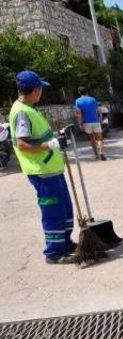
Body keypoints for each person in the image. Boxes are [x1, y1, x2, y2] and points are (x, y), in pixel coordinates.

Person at [10, 70, 76, 264]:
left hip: (51, 169)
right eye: (41, 89)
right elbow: (22, 144)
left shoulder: (30, 108)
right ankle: (54, 252)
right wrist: (49, 145)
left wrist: (58, 136)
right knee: (53, 211)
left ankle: (65, 243)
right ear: (36, 90)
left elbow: (40, 135)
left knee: (64, 208)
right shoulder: (22, 112)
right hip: (42, 171)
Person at [75, 86, 106, 161]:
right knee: (100, 138)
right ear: (87, 92)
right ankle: (101, 152)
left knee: (92, 139)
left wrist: (80, 124)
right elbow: (99, 110)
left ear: (79, 93)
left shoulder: (78, 101)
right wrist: (101, 120)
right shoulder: (93, 99)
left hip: (86, 122)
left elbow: (79, 114)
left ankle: (96, 155)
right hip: (95, 121)